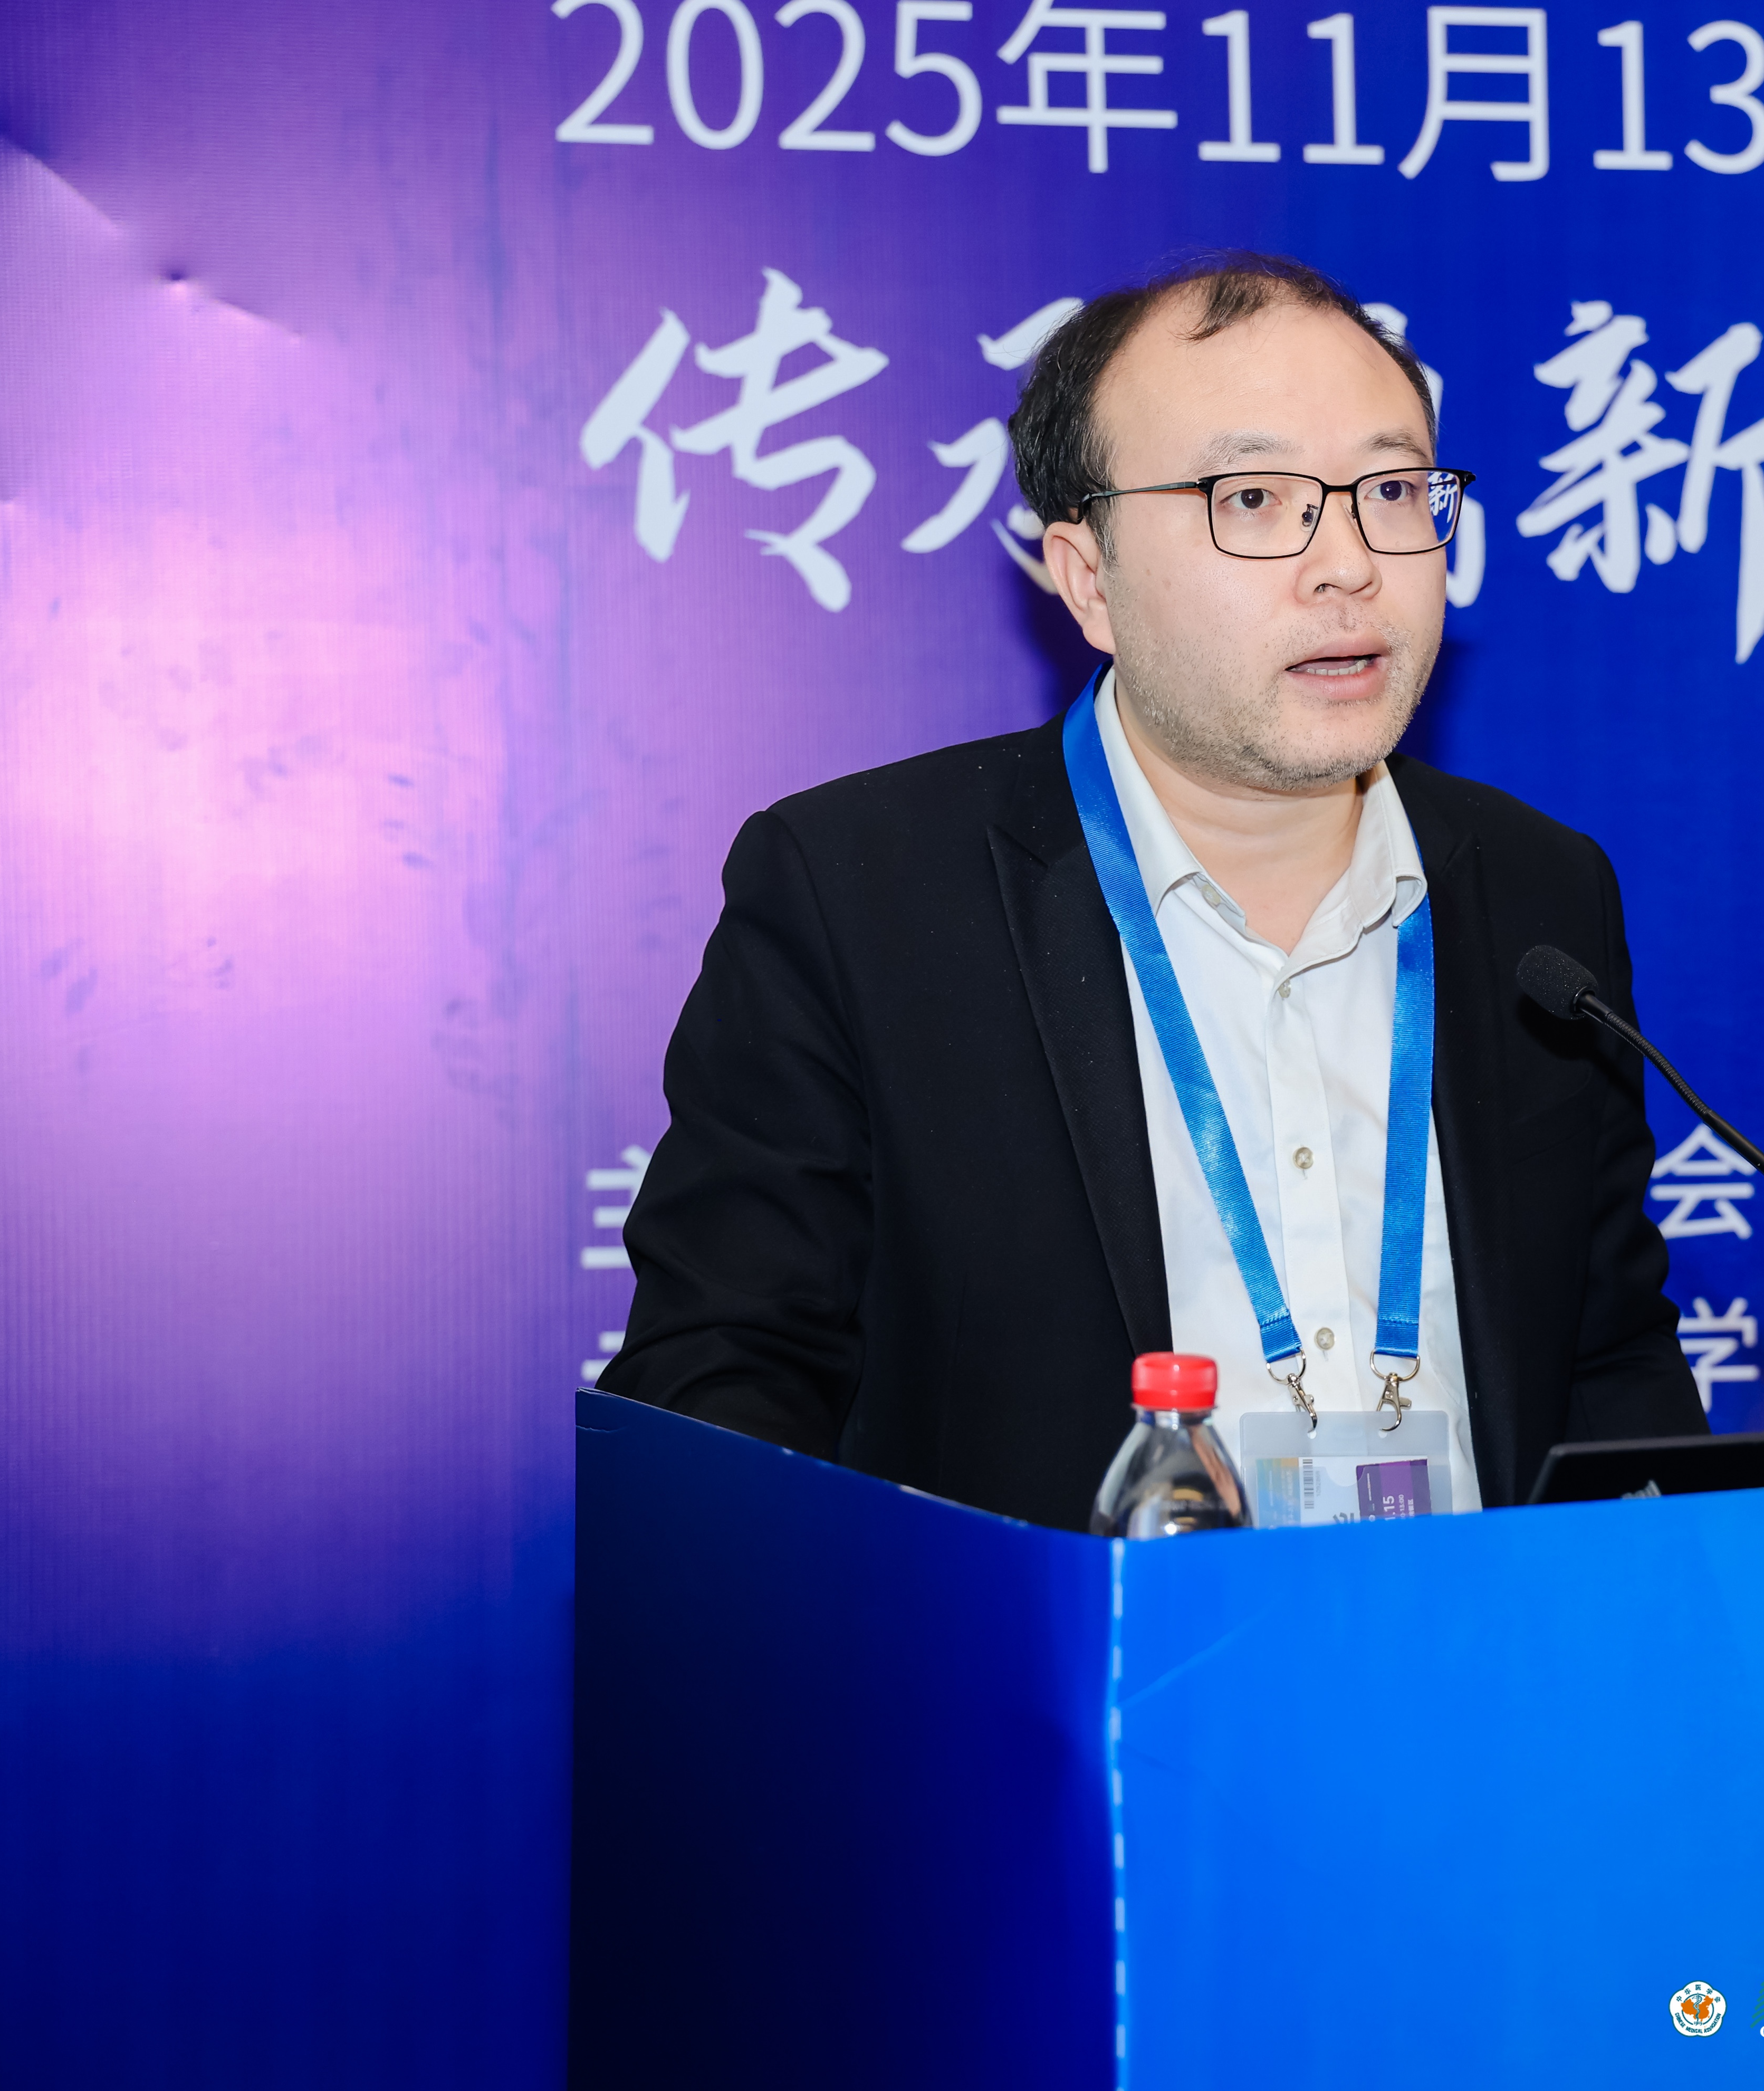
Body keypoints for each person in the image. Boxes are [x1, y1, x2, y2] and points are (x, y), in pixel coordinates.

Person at [601, 252, 1706, 1529]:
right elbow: (720, 1399)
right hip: (1047, 1659)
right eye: (1255, 498)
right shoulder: (861, 898)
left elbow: (1609, 1360)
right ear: (1090, 578)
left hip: (1488, 1651)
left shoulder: (1540, 893)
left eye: (1393, 489)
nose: (1349, 563)